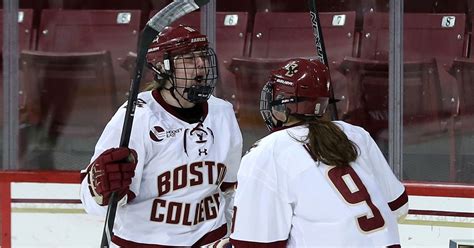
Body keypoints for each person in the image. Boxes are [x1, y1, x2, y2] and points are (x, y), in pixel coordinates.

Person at [79, 24, 243, 247]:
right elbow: (94, 205)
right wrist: (100, 190)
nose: (201, 65)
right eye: (188, 59)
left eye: (203, 56)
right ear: (162, 67)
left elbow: (229, 189)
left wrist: (233, 235)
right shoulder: (136, 117)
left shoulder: (222, 113)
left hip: (209, 240)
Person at [229, 59, 409, 247]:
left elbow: (254, 243)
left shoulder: (268, 152)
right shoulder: (355, 134)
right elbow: (399, 207)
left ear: (284, 104)